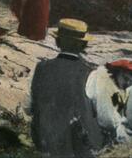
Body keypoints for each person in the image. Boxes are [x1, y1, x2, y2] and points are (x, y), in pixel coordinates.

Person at [28, 18, 103, 158]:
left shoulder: (42, 68)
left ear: (58, 42)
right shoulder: (90, 72)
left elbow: (33, 106)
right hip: (79, 145)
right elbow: (97, 111)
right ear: (84, 45)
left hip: (45, 140)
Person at [85, 58, 132, 144]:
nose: (128, 83)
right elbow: (106, 117)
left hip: (107, 130)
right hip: (92, 128)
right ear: (118, 72)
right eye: (126, 79)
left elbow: (120, 108)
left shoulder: (121, 89)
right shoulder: (104, 81)